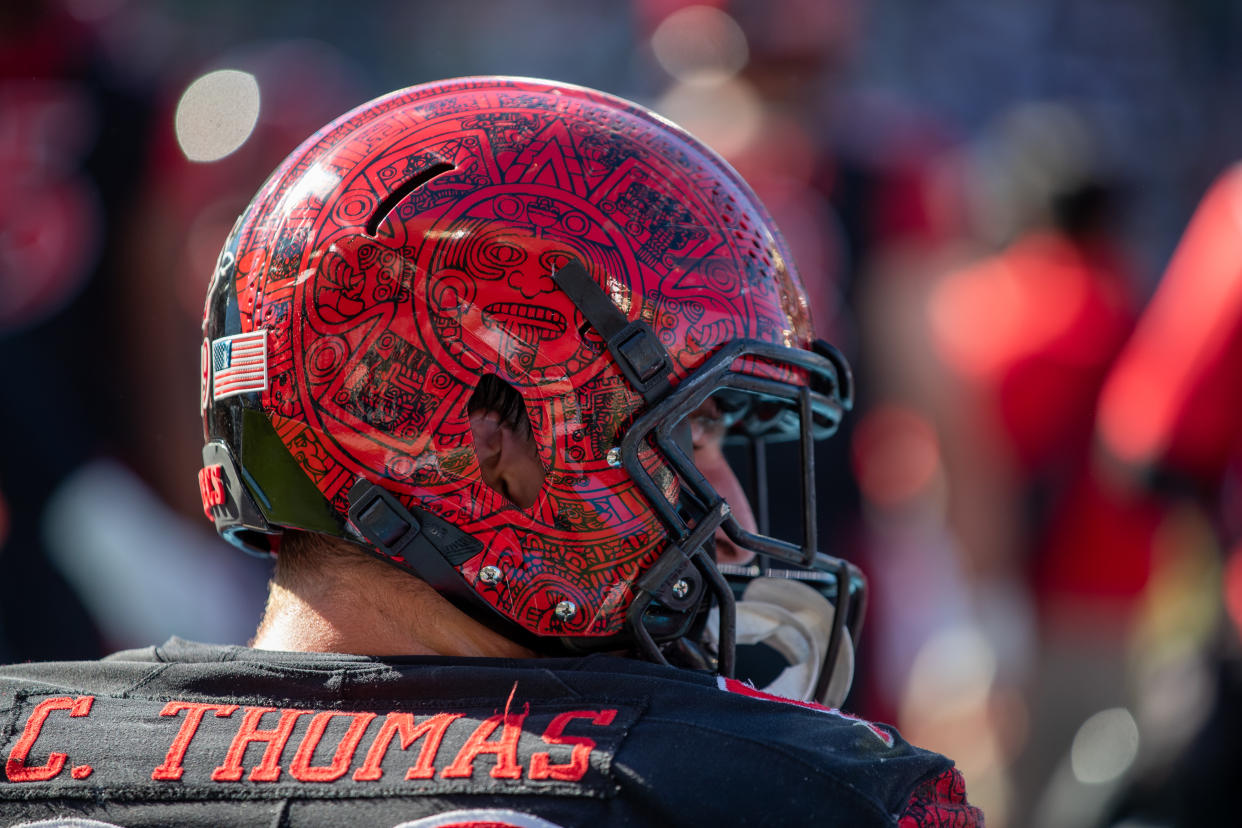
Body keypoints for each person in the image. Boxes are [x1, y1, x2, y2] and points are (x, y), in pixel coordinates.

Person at [0, 76, 982, 826]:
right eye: (687, 433)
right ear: (482, 445)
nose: (737, 517)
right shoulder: (774, 791)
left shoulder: (24, 738)